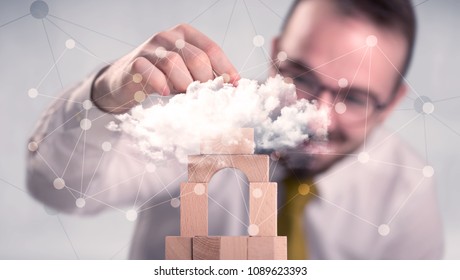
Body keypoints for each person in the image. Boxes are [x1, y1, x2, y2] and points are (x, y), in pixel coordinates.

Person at [27, 0, 444, 259]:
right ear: (276, 55)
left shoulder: (404, 193)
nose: (318, 117)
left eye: (354, 99)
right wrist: (108, 91)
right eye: (302, 76)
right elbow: (60, 190)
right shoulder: (200, 124)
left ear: (391, 104)